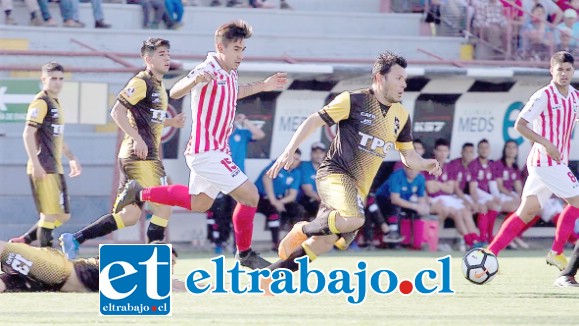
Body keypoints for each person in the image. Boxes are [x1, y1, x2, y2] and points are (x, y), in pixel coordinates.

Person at [112, 20, 288, 270]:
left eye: (243, 49)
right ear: (220, 47)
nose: (240, 55)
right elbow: (176, 92)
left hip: (213, 151)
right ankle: (245, 254)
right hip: (208, 152)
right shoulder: (208, 68)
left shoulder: (230, 71)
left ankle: (139, 192)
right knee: (250, 196)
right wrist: (194, 82)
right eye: (236, 49)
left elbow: (234, 91)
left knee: (200, 203)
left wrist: (265, 85)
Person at [263, 52, 441, 274]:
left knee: (323, 243)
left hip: (358, 189)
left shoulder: (401, 116)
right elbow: (313, 120)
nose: (404, 84)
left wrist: (424, 164)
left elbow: (408, 156)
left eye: (405, 79)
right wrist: (288, 151)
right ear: (380, 77)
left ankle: (270, 275)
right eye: (398, 78)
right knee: (354, 218)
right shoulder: (354, 100)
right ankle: (303, 229)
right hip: (335, 174)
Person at [59, 38, 185, 258]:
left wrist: (170, 123)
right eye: (162, 54)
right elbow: (116, 112)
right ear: (148, 59)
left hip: (140, 157)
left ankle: (75, 238)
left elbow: (148, 119)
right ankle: (156, 255)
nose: (167, 58)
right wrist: (137, 138)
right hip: (140, 158)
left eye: (168, 54)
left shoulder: (158, 86)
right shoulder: (141, 82)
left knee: (130, 216)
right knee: (164, 205)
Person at [484, 51, 579, 287]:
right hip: (546, 162)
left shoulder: (575, 97)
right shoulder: (543, 96)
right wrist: (546, 143)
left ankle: (489, 254)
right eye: (560, 70)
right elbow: (520, 124)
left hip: (553, 164)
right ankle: (557, 252)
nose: (564, 74)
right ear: (551, 71)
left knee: (527, 212)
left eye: (568, 70)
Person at [9, 62, 81, 248]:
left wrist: (71, 158)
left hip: (55, 167)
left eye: (60, 79)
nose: (57, 83)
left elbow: (56, 138)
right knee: (49, 215)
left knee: (63, 215)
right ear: (43, 80)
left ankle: (26, 239)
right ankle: (46, 259)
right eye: (53, 79)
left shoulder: (56, 103)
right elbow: (27, 133)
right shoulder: (40, 102)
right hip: (43, 166)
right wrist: (36, 164)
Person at [0, 240, 184, 293]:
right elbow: (173, 286)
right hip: (57, 270)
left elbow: (175, 284)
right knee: (5, 249)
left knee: (6, 284)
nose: (171, 268)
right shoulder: (132, 268)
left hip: (49, 282)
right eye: (170, 262)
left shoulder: (144, 280)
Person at [206, 113, 265, 253]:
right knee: (220, 213)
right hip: (219, 179)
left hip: (238, 180)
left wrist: (245, 120)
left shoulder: (242, 133)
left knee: (237, 213)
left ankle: (237, 246)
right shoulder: (216, 136)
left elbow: (260, 134)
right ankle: (220, 242)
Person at [427, 138, 479, 249]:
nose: (442, 154)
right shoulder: (429, 165)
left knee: (465, 211)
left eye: (445, 151)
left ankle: (475, 239)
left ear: (448, 152)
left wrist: (438, 184)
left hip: (448, 197)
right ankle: (469, 240)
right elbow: (430, 189)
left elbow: (450, 189)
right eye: (439, 151)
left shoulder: (449, 166)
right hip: (435, 199)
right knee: (457, 213)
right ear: (435, 151)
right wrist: (443, 185)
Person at [255, 149, 304, 251]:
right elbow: (266, 178)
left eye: (297, 159)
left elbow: (292, 195)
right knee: (273, 211)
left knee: (297, 210)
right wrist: (274, 201)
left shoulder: (296, 173)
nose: (294, 161)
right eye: (293, 158)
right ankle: (276, 244)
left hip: (278, 199)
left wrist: (279, 202)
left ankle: (289, 242)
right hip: (260, 197)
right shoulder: (277, 164)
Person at [374, 165, 428, 246]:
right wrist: (415, 206)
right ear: (405, 168)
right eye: (410, 168)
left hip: (402, 201)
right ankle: (392, 236)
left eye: (415, 168)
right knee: (396, 207)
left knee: (422, 211)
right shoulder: (397, 176)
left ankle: (419, 240)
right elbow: (395, 199)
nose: (412, 171)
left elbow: (421, 198)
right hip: (382, 201)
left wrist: (422, 207)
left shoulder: (420, 179)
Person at [468, 139, 502, 244]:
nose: (484, 150)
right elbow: (473, 188)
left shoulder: (491, 164)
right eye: (481, 148)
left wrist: (496, 197)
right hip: (474, 195)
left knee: (495, 206)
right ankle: (483, 238)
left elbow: (492, 184)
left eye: (486, 148)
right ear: (477, 150)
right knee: (483, 208)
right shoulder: (473, 164)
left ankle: (490, 237)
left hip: (486, 196)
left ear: (489, 150)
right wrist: (491, 198)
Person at [298, 142, 327, 218]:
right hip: (306, 198)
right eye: (315, 152)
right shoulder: (305, 166)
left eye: (321, 152)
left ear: (324, 154)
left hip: (322, 199)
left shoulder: (327, 168)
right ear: (311, 154)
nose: (318, 155)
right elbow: (308, 191)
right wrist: (325, 202)